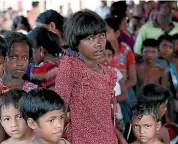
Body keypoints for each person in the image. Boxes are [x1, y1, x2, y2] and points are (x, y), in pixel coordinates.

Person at [55, 10, 118, 143]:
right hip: (81, 140)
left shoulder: (108, 72)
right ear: (76, 43)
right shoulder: (70, 67)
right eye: (89, 38)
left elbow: (107, 116)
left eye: (101, 36)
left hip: (108, 139)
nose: (98, 43)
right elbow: (60, 109)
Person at [105, 16, 137, 125]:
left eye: (107, 31)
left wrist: (119, 89)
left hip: (124, 89)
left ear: (117, 33)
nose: (103, 35)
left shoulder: (126, 51)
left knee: (128, 119)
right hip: (105, 92)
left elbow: (133, 80)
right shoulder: (97, 52)